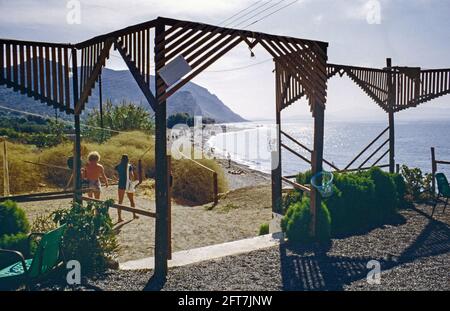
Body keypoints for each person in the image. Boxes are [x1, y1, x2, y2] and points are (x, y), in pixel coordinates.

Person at [115, 154, 138, 222]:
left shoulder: (118, 166)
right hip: (128, 184)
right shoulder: (129, 166)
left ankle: (119, 218)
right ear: (127, 159)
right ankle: (134, 215)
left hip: (121, 184)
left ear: (121, 159)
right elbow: (132, 176)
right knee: (131, 200)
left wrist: (118, 178)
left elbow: (115, 174)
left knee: (120, 201)